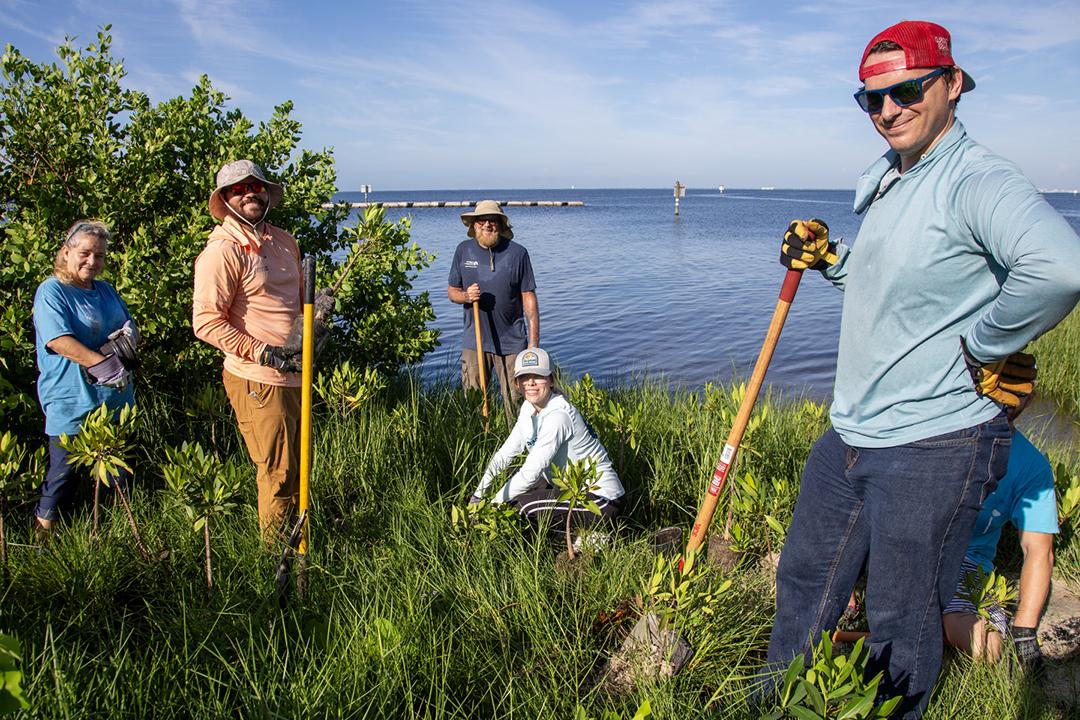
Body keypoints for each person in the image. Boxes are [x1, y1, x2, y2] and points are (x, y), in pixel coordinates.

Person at [764, 20, 1080, 718]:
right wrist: (833, 262)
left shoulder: (975, 179)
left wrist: (986, 342)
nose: (887, 111)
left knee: (901, 617)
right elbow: (901, 293)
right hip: (852, 431)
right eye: (870, 100)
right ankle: (776, 706)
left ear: (953, 85)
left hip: (936, 440)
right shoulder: (895, 181)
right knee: (805, 578)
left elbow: (1061, 269)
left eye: (906, 90)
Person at [193, 159, 329, 540]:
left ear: (267, 194)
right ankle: (275, 561)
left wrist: (316, 310)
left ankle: (301, 543)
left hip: (296, 373)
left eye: (256, 187)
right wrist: (264, 352)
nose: (249, 193)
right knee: (278, 471)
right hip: (258, 378)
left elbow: (295, 301)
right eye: (238, 189)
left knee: (301, 466)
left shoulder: (284, 240)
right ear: (225, 199)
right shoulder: (222, 252)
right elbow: (205, 323)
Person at [32, 220, 138, 535]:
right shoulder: (52, 290)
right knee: (61, 477)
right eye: (85, 253)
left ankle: (114, 539)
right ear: (66, 252)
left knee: (116, 479)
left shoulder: (105, 290)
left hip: (114, 401)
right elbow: (57, 340)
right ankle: (42, 542)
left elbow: (129, 326)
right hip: (71, 402)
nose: (92, 262)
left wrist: (129, 337)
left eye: (100, 256)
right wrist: (103, 365)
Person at [469, 348, 624, 533]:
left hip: (602, 500)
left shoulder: (558, 416)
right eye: (525, 377)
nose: (531, 382)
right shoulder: (528, 408)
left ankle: (590, 539)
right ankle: (576, 537)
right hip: (571, 489)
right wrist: (478, 495)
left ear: (551, 380)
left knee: (524, 508)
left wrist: (492, 506)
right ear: (517, 382)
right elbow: (505, 453)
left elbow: (530, 473)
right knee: (515, 490)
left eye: (538, 376)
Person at [943, 430, 1057, 666]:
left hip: (968, 561)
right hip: (912, 549)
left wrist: (1024, 631)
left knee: (987, 646)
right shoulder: (940, 425)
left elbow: (1038, 550)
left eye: (1022, 391)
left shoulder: (1031, 464)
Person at [448, 200, 539, 424]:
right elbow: (452, 291)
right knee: (474, 403)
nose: (487, 224)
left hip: (512, 343)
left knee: (516, 405)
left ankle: (519, 451)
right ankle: (480, 446)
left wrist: (533, 343)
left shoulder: (518, 253)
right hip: (474, 342)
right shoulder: (463, 250)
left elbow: (528, 297)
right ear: (474, 224)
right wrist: (467, 297)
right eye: (482, 219)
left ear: (501, 224)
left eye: (493, 220)